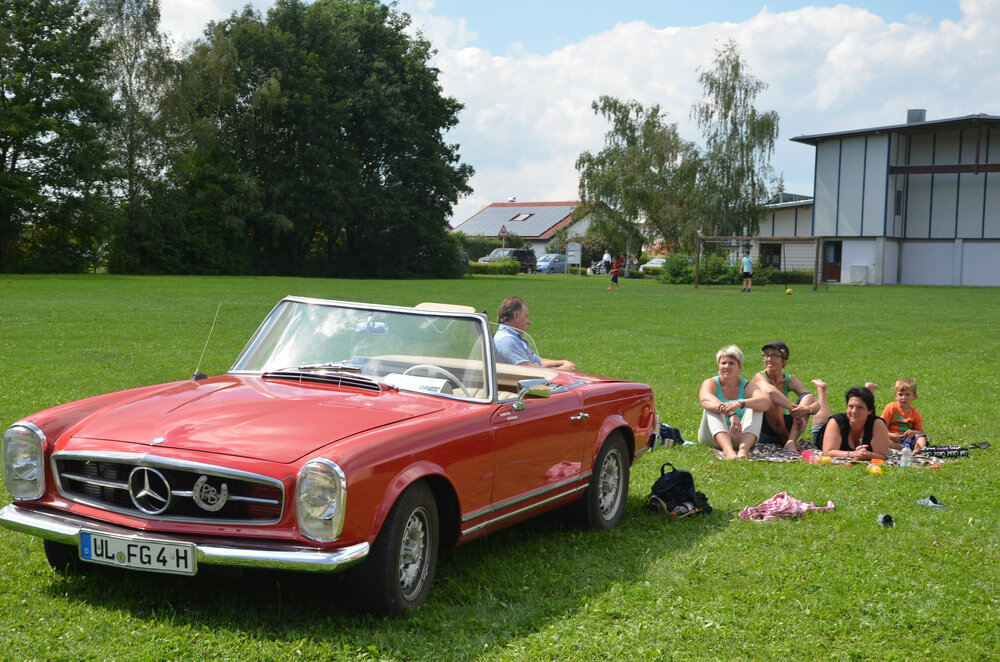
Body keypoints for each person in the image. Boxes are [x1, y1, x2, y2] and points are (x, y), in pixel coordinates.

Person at [698, 345, 771, 460]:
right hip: (713, 437)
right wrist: (731, 413)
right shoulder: (711, 382)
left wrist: (740, 403)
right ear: (718, 365)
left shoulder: (746, 385)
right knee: (712, 407)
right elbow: (704, 399)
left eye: (731, 363)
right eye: (723, 363)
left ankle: (743, 452)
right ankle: (729, 452)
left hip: (740, 436)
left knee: (757, 407)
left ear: (739, 368)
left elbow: (766, 402)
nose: (726, 367)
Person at [752, 341, 818, 453]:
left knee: (808, 397)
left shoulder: (789, 379)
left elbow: (815, 404)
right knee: (772, 401)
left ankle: (791, 441)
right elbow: (770, 392)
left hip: (786, 425)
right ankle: (786, 440)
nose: (769, 359)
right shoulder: (759, 377)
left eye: (774, 355)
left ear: (784, 360)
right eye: (767, 355)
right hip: (766, 428)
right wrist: (793, 409)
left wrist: (806, 409)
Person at [811, 380, 889, 461]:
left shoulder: (877, 424)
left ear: (870, 411)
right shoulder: (836, 421)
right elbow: (828, 452)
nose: (854, 411)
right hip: (820, 434)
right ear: (846, 408)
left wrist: (868, 454)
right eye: (851, 407)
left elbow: (882, 455)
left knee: (864, 399)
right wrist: (853, 454)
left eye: (860, 408)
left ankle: (868, 390)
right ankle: (821, 389)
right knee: (821, 417)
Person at [493, 297, 577, 371]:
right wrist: (561, 370)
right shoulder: (506, 340)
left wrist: (562, 362)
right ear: (516, 316)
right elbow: (527, 370)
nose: (529, 322)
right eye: (526, 317)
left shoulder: (512, 337)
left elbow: (537, 361)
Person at [881, 378, 928, 452]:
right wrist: (889, 435)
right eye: (900, 394)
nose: (903, 398)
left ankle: (918, 449)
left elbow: (920, 431)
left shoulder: (915, 412)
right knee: (880, 439)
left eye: (907, 395)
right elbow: (881, 427)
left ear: (914, 397)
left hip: (908, 439)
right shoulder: (891, 407)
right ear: (896, 396)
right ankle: (903, 448)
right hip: (893, 439)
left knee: (922, 438)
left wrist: (914, 432)